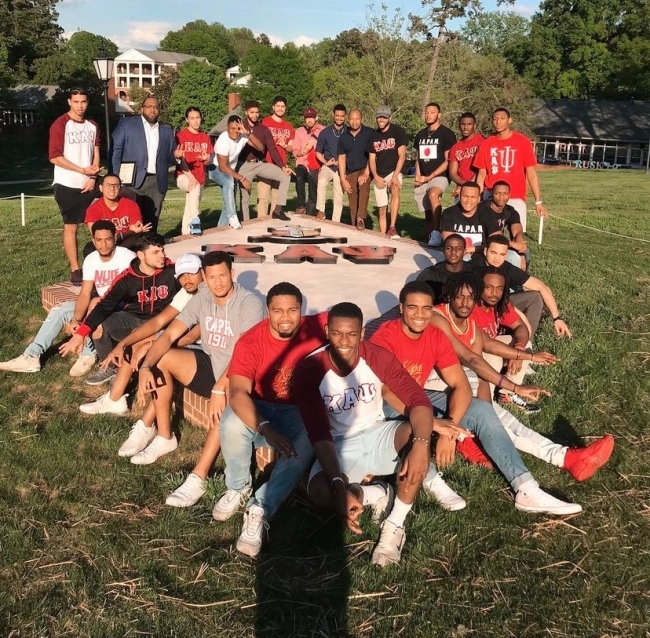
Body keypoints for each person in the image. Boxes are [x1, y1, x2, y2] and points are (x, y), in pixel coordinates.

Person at [370, 281, 583, 516]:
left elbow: (459, 383)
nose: (420, 315)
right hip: (385, 403)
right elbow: (388, 392)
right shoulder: (384, 338)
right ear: (401, 308)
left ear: (433, 309)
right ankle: (432, 481)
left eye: (426, 308)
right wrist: (439, 425)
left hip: (418, 396)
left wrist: (450, 428)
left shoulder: (434, 334)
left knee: (481, 409)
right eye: (412, 308)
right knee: (413, 425)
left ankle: (525, 488)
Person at [295, 302, 468, 566]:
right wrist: (339, 488)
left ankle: (395, 524)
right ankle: (377, 493)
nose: (344, 341)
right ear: (327, 331)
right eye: (337, 333)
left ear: (362, 333)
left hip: (377, 431)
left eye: (351, 334)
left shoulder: (376, 356)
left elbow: (417, 400)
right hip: (339, 443)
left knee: (413, 436)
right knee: (319, 491)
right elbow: (320, 435)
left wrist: (422, 445)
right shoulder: (309, 370)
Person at [435, 273, 614, 481]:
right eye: (459, 296)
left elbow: (488, 350)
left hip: (459, 382)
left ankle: (566, 457)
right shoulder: (438, 317)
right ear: (449, 296)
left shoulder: (469, 323)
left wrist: (529, 356)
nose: (465, 303)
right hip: (433, 385)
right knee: (494, 421)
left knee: (498, 418)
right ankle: (564, 459)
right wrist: (515, 388)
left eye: (470, 297)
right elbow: (471, 359)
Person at [214, 282, 328, 557]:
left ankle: (261, 506)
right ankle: (238, 486)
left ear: (302, 310)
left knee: (309, 435)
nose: (286, 317)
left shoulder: (317, 326)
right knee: (230, 423)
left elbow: (354, 320)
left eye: (292, 310)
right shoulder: (251, 341)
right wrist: (265, 427)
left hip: (296, 410)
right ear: (268, 311)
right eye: (278, 311)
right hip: (260, 405)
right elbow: (238, 392)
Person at [131, 251, 265, 469]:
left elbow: (245, 357)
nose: (217, 283)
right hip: (213, 365)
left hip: (240, 374)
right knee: (163, 357)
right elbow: (169, 335)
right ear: (204, 275)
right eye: (211, 277)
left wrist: (219, 389)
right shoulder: (203, 297)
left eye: (222, 275)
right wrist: (146, 365)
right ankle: (165, 436)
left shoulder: (250, 304)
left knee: (226, 407)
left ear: (232, 273)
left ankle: (198, 475)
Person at [78, 253, 204, 422]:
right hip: (181, 338)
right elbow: (159, 321)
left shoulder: (207, 295)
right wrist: (122, 344)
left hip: (200, 349)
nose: (187, 279)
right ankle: (114, 399)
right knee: (135, 342)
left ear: (202, 272)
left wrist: (149, 343)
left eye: (192, 273)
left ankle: (124, 406)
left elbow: (189, 337)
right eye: (182, 275)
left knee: (145, 346)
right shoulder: (187, 293)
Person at [0, 221, 133, 377]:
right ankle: (32, 356)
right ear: (93, 240)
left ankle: (88, 354)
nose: (103, 244)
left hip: (121, 306)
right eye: (99, 240)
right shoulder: (91, 259)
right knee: (62, 310)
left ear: (115, 238)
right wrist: (76, 319)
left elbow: (129, 294)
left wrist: (94, 305)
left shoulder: (127, 258)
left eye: (108, 239)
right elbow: (84, 292)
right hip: (99, 302)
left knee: (94, 306)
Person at [59, 233, 180, 386]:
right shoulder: (127, 278)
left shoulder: (173, 271)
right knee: (100, 324)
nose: (162, 255)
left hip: (162, 321)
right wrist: (80, 334)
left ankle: (126, 370)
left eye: (162, 250)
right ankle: (109, 367)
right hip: (134, 317)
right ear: (141, 255)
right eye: (156, 252)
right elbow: (104, 306)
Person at [49, 87, 101, 284]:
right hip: (67, 183)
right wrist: (81, 171)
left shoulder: (92, 125)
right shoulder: (60, 125)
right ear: (69, 102)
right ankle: (75, 268)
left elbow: (96, 152)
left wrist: (93, 177)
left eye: (84, 102)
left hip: (89, 181)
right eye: (76, 102)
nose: (80, 106)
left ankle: (102, 262)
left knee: (97, 223)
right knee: (71, 226)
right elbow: (55, 157)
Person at [473, 235, 572, 338]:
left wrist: (557, 318)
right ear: (485, 251)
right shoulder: (475, 267)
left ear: (506, 256)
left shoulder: (506, 267)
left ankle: (525, 341)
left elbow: (541, 286)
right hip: (483, 308)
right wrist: (519, 313)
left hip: (505, 304)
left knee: (535, 296)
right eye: (493, 253)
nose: (497, 258)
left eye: (502, 254)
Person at [109, 96, 180, 233]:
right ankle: (132, 251)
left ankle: (149, 249)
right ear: (142, 109)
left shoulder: (166, 131)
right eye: (149, 106)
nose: (152, 109)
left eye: (156, 107)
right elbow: (115, 150)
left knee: (151, 222)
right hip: (131, 181)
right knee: (132, 220)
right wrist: (114, 177)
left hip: (156, 182)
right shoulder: (127, 124)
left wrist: (176, 156)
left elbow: (170, 156)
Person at [474, 107, 548, 233]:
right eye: (495, 119)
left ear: (510, 120)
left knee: (517, 234)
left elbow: (531, 174)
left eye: (502, 118)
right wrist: (477, 198)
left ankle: (519, 252)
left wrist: (538, 202)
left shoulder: (523, 142)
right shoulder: (487, 144)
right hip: (491, 194)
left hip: (515, 196)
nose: (498, 122)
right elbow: (481, 175)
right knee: (489, 234)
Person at [237, 100, 292, 222]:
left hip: (260, 163)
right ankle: (246, 222)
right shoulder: (240, 126)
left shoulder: (264, 129)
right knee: (245, 197)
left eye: (257, 112)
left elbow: (272, 149)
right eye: (252, 112)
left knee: (285, 176)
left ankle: (277, 211)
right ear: (246, 112)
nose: (255, 115)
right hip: (244, 165)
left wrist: (283, 166)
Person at [412, 102, 457, 245]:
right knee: (427, 211)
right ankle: (430, 237)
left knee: (433, 194)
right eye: (426, 112)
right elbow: (418, 158)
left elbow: (448, 160)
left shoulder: (447, 134)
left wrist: (430, 177)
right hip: (423, 176)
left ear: (439, 115)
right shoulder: (420, 135)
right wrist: (419, 176)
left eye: (431, 112)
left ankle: (438, 232)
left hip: (440, 176)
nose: (428, 115)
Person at [208, 115, 264, 229]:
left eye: (237, 128)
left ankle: (220, 229)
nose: (235, 131)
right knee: (229, 181)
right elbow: (223, 167)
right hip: (215, 169)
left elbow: (260, 147)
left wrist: (247, 132)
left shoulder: (242, 135)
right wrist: (242, 178)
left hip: (230, 170)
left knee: (228, 203)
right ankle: (233, 217)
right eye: (231, 128)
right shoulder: (223, 140)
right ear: (226, 127)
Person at [84, 174, 150, 254]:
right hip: (105, 243)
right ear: (101, 188)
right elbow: (97, 236)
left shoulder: (131, 205)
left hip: (127, 241)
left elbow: (136, 231)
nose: (112, 188)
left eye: (116, 185)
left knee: (139, 241)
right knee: (89, 249)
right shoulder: (93, 209)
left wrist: (127, 234)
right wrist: (128, 233)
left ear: (120, 189)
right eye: (108, 185)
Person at [368, 105, 407, 237]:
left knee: (395, 188)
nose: (381, 120)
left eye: (384, 117)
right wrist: (376, 177)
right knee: (382, 209)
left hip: (393, 171)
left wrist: (395, 176)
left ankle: (392, 227)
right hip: (379, 173)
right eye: (379, 117)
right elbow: (372, 160)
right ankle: (383, 234)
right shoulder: (373, 136)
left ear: (390, 118)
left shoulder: (398, 132)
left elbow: (402, 155)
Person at [174, 107, 212, 235]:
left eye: (198, 118)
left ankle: (186, 234)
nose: (196, 121)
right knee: (194, 189)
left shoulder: (205, 137)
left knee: (190, 205)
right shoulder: (181, 136)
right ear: (187, 120)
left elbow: (209, 161)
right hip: (183, 175)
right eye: (192, 118)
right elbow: (180, 161)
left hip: (200, 176)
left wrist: (207, 159)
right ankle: (196, 219)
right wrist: (191, 178)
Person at [257, 96, 295, 217]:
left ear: (285, 108)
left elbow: (291, 147)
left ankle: (273, 224)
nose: (280, 108)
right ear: (273, 107)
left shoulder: (288, 127)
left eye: (282, 106)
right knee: (263, 197)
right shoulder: (264, 122)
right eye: (277, 106)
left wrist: (285, 146)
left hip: (281, 166)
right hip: (266, 163)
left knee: (276, 198)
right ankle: (261, 225)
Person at [338, 109, 374, 229]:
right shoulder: (343, 137)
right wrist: (343, 179)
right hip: (350, 171)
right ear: (348, 120)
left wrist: (367, 173)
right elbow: (342, 158)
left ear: (361, 119)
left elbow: (372, 155)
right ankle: (355, 224)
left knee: (363, 189)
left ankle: (361, 218)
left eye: (357, 119)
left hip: (365, 168)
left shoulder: (369, 133)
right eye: (352, 119)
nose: (354, 122)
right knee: (352, 197)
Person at [478, 180, 527, 269]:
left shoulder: (510, 210)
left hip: (498, 246)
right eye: (498, 193)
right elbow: (495, 237)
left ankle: (516, 279)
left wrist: (521, 250)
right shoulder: (483, 208)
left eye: (505, 194)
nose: (501, 197)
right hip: (481, 246)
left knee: (526, 254)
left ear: (509, 195)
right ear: (492, 193)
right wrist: (513, 244)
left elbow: (517, 231)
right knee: (512, 257)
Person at [416, 233, 472, 304]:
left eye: (458, 249)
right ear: (443, 250)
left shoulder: (473, 272)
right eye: (449, 248)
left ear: (464, 251)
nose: (453, 252)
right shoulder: (429, 275)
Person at [315, 104, 347, 221]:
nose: (339, 118)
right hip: (328, 166)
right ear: (333, 116)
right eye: (337, 115)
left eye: (342, 116)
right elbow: (318, 152)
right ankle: (321, 210)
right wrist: (325, 162)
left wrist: (344, 162)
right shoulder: (325, 132)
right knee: (322, 181)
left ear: (345, 117)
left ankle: (336, 221)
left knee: (339, 194)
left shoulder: (348, 132)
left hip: (342, 167)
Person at [440, 182, 488, 255]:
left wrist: (471, 249)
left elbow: (496, 241)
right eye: (465, 196)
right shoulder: (449, 213)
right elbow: (449, 243)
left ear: (479, 198)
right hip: (458, 255)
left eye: (473, 197)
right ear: (460, 196)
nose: (469, 200)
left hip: (482, 254)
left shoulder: (488, 213)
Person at [292, 107, 324, 216]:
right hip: (302, 162)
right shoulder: (299, 131)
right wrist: (303, 151)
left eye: (312, 118)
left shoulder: (322, 130)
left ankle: (311, 208)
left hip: (316, 163)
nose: (309, 120)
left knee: (312, 177)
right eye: (307, 118)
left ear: (316, 118)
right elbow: (295, 152)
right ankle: (301, 205)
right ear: (304, 119)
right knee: (299, 176)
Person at [448, 112, 485, 196]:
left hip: (480, 186)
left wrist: (469, 185)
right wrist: (464, 184)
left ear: (474, 126)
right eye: (463, 124)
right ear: (459, 126)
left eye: (469, 124)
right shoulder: (455, 147)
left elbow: (482, 169)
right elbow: (452, 173)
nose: (465, 127)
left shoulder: (482, 142)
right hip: (461, 187)